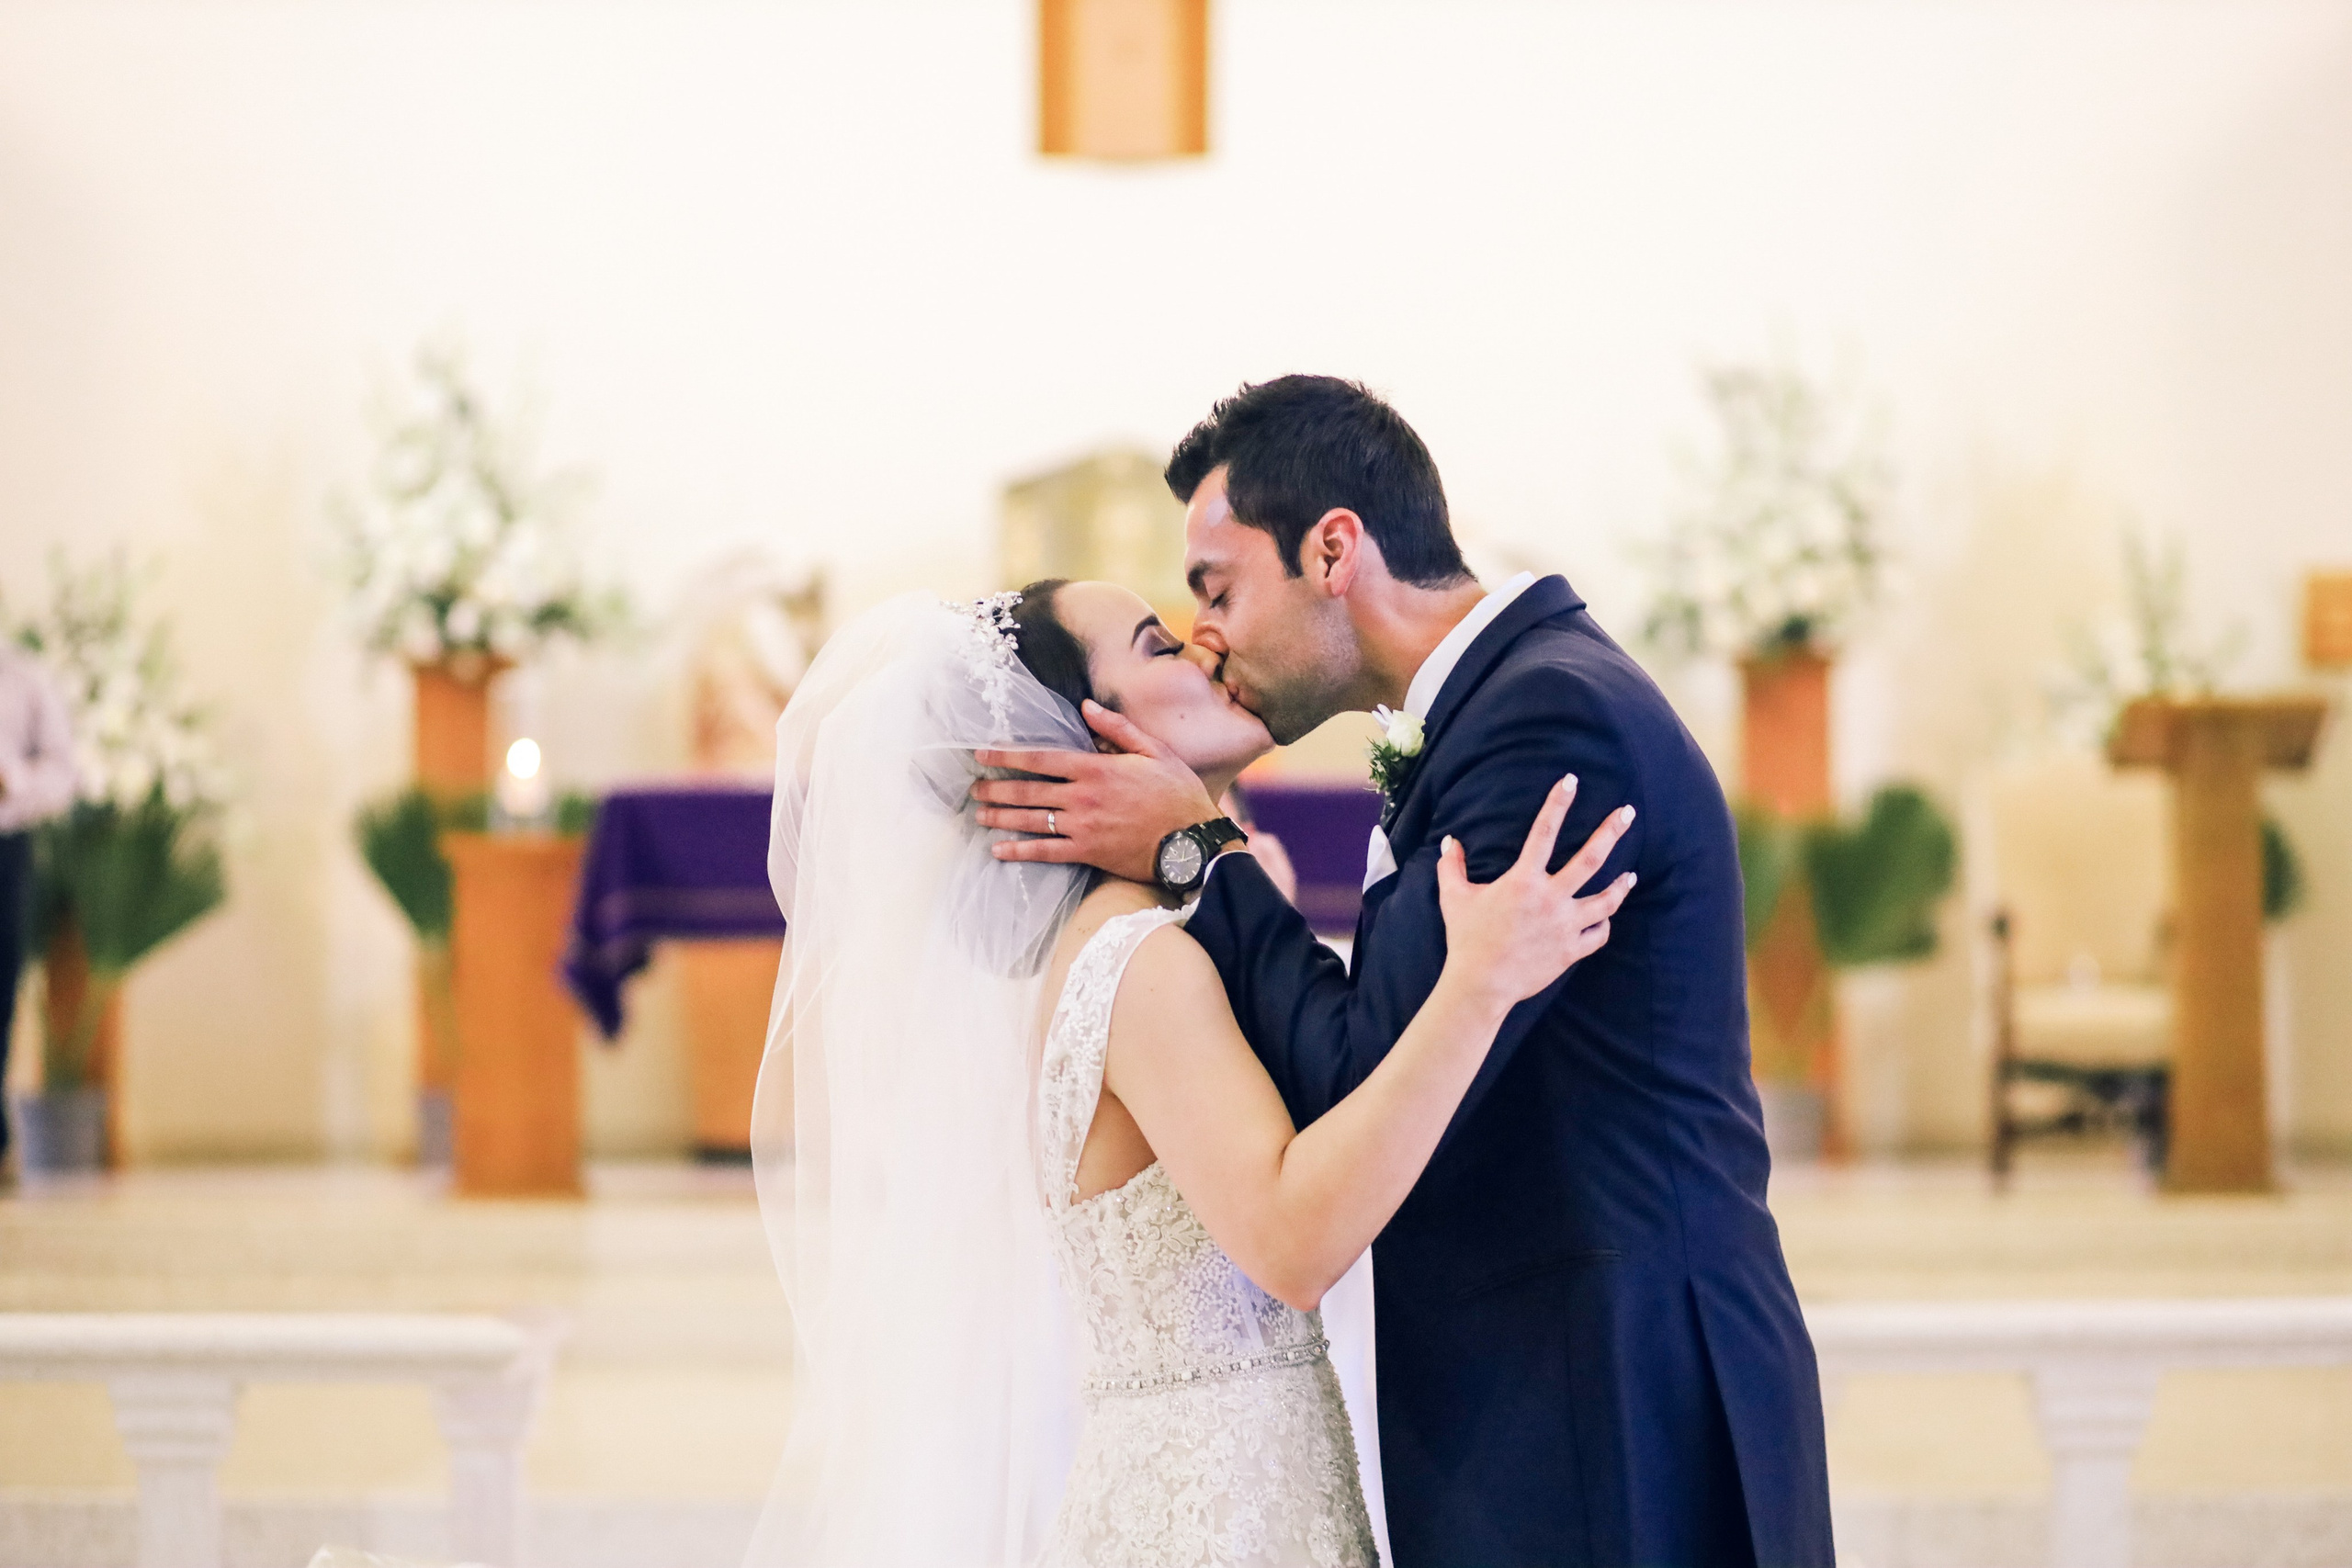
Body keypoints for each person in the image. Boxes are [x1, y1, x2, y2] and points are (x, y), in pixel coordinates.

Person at [974, 376, 1837, 1568]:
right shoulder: (1502, 710)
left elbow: (1352, 1071)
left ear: (1333, 549)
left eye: (1214, 593)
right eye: (1173, 631)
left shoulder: (1547, 722)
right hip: (1510, 1407)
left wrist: (1205, 847)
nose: (1209, 635)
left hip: (1614, 1397)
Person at [751, 582, 1633, 1568]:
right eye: (1160, 643)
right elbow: (1292, 1241)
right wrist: (1478, 987)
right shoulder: (1141, 962)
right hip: (1215, 1509)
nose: (1208, 649)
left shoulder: (1166, 930)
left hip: (1236, 1474)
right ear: (1094, 734)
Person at [0, 641, 78, 1168]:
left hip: (6, 848)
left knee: (0, 987)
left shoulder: (23, 676)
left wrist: (13, 781)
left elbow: (63, 773)